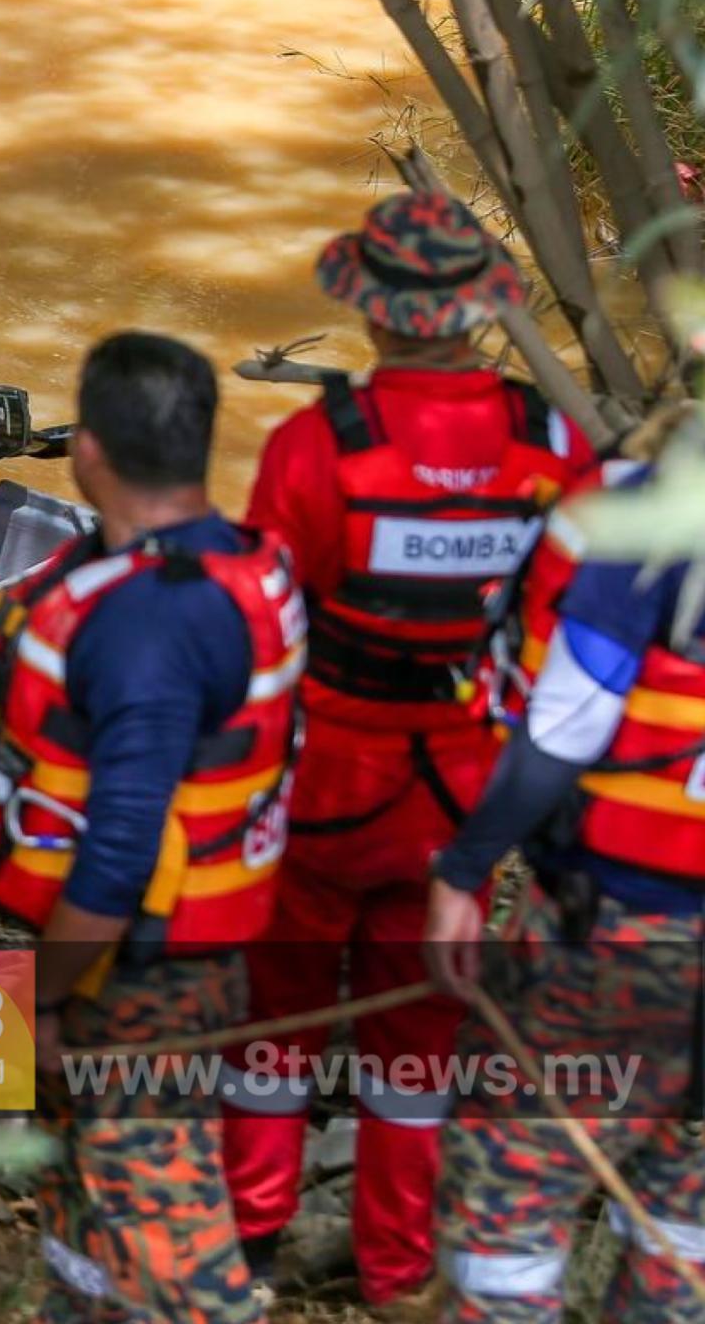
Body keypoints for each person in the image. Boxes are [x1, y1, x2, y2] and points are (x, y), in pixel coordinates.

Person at [223, 192, 597, 1313]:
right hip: (467, 812)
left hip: (324, 793)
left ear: (373, 314)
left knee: (270, 1028)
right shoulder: (551, 446)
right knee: (417, 1051)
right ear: (481, 312)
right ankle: (396, 1273)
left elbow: (260, 636)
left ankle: (250, 1243)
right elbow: (570, 649)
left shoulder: (313, 448)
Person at [0, 330, 301, 1324]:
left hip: (133, 960)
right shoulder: (250, 562)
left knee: (162, 1198)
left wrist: (48, 1000)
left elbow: (122, 847)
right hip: (187, 935)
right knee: (81, 1166)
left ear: (92, 453)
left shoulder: (145, 622)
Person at [423, 464, 705, 1323]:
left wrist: (464, 872)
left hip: (619, 930)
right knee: (686, 1221)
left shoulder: (658, 525)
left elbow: (564, 727)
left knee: (508, 1202)